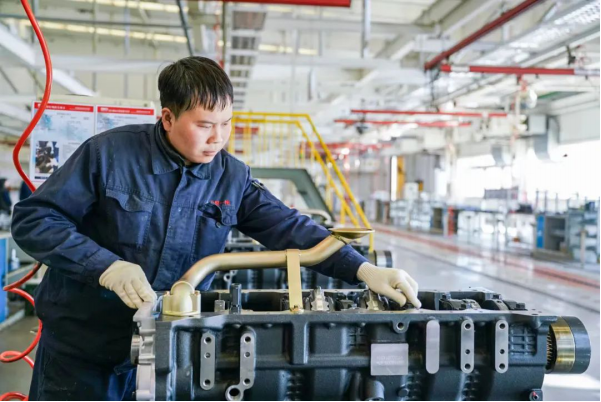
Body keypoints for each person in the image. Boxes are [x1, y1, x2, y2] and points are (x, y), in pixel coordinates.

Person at [11, 56, 420, 401]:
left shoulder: (231, 177)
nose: (218, 138)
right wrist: (106, 267)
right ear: (168, 118)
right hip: (82, 350)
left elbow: (291, 227)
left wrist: (363, 268)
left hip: (169, 352)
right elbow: (34, 219)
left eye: (226, 123)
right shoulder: (108, 155)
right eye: (205, 125)